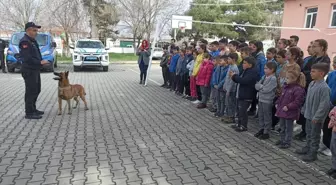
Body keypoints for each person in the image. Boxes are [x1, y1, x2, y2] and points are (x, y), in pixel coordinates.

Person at [296, 63, 331, 162]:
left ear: (321, 73)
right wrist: (304, 109)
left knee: (315, 135)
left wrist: (318, 117)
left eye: (313, 71)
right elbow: (308, 98)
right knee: (309, 133)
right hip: (308, 114)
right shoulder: (312, 84)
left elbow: (324, 105)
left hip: (316, 118)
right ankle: (307, 147)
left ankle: (313, 153)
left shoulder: (324, 88)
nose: (310, 73)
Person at [20, 22, 49, 119]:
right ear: (28, 30)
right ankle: (29, 112)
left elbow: (35, 55)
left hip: (35, 69)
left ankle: (33, 109)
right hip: (29, 70)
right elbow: (27, 58)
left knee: (37, 90)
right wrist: (39, 62)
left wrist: (41, 61)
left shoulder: (32, 40)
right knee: (30, 91)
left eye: (36, 30)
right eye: (34, 30)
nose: (36, 32)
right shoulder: (25, 42)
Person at [275, 71, 306, 148]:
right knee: (282, 127)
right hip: (282, 111)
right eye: (286, 77)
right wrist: (277, 103)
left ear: (294, 79)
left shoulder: (298, 89)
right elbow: (281, 97)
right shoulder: (285, 87)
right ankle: (282, 139)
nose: (286, 79)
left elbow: (298, 101)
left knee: (288, 128)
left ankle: (287, 142)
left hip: (289, 112)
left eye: (288, 78)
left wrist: (289, 106)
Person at [230, 56, 259, 132]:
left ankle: (243, 126)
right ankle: (238, 124)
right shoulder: (246, 71)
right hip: (241, 94)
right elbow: (240, 80)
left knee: (243, 111)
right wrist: (234, 77)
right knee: (239, 110)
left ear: (250, 65)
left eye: (245, 63)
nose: (243, 64)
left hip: (246, 95)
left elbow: (243, 81)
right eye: (243, 63)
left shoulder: (252, 72)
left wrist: (234, 76)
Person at [254, 62, 278, 140]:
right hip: (260, 98)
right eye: (264, 68)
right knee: (261, 115)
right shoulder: (264, 76)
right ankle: (261, 128)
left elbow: (267, 89)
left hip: (267, 100)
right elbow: (256, 85)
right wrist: (261, 87)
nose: (264, 70)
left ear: (272, 70)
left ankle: (266, 131)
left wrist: (260, 87)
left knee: (267, 115)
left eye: (266, 68)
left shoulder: (273, 78)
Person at [249, 41, 266, 116]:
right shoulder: (255, 55)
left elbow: (262, 69)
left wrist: (260, 80)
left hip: (258, 78)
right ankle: (253, 109)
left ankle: (254, 110)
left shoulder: (260, 57)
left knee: (256, 95)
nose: (252, 48)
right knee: (253, 94)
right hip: (254, 77)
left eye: (254, 47)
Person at [222, 53, 239, 124]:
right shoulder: (230, 66)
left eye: (229, 59)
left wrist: (228, 89)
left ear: (234, 60)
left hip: (231, 89)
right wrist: (225, 85)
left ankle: (232, 117)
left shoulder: (234, 68)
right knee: (228, 103)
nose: (228, 60)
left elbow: (232, 81)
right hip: (227, 87)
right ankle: (228, 115)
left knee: (231, 103)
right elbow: (227, 78)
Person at [327, 106, 336, 179]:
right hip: (334, 130)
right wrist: (332, 116)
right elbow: (333, 110)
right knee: (333, 149)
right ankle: (334, 167)